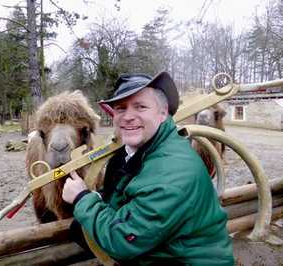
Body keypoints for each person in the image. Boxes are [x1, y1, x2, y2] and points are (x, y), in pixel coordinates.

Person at [62, 71, 234, 265]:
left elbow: (122, 240)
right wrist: (99, 197)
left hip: (189, 261)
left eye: (140, 107)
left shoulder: (171, 174)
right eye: (120, 108)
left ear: (163, 113)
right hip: (173, 250)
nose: (128, 117)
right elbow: (129, 189)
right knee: (79, 228)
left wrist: (81, 198)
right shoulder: (145, 149)